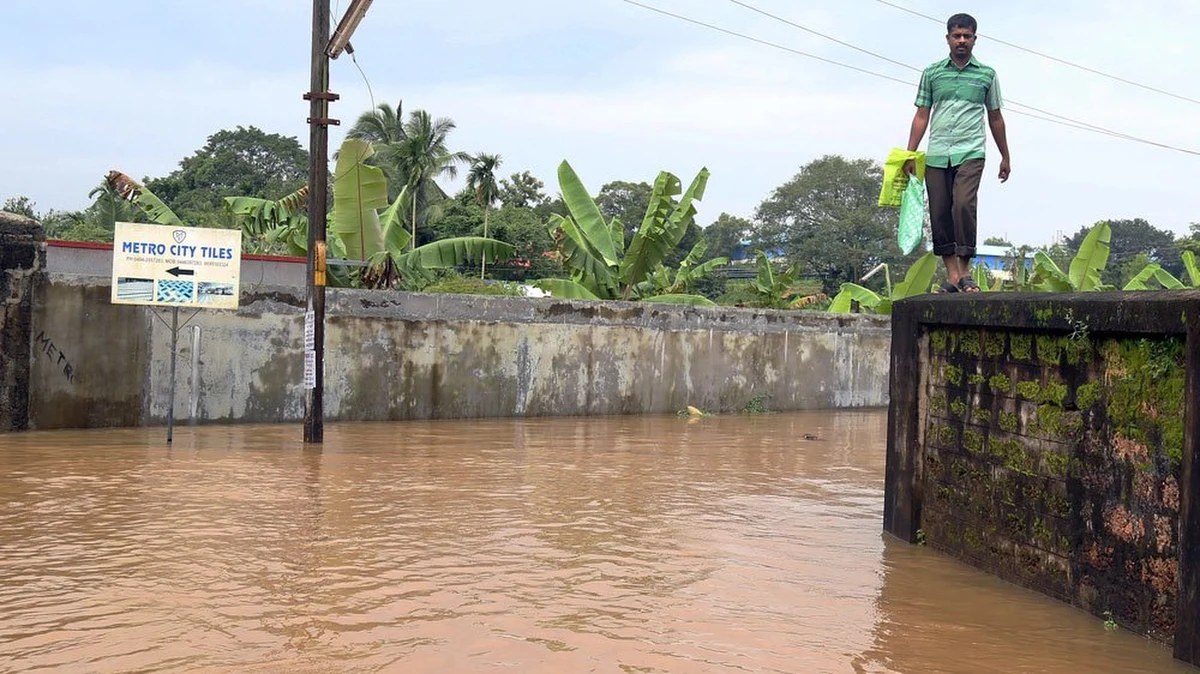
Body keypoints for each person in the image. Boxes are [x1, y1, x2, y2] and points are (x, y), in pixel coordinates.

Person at [904, 12, 1010, 293]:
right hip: (937, 153)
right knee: (939, 212)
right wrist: (909, 154)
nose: (961, 40)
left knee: (963, 204)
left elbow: (995, 117)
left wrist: (1005, 156)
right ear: (948, 39)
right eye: (957, 36)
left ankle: (966, 272)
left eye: (967, 36)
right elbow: (921, 115)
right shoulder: (932, 73)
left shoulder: (986, 75)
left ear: (975, 39)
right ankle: (953, 276)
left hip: (971, 150)